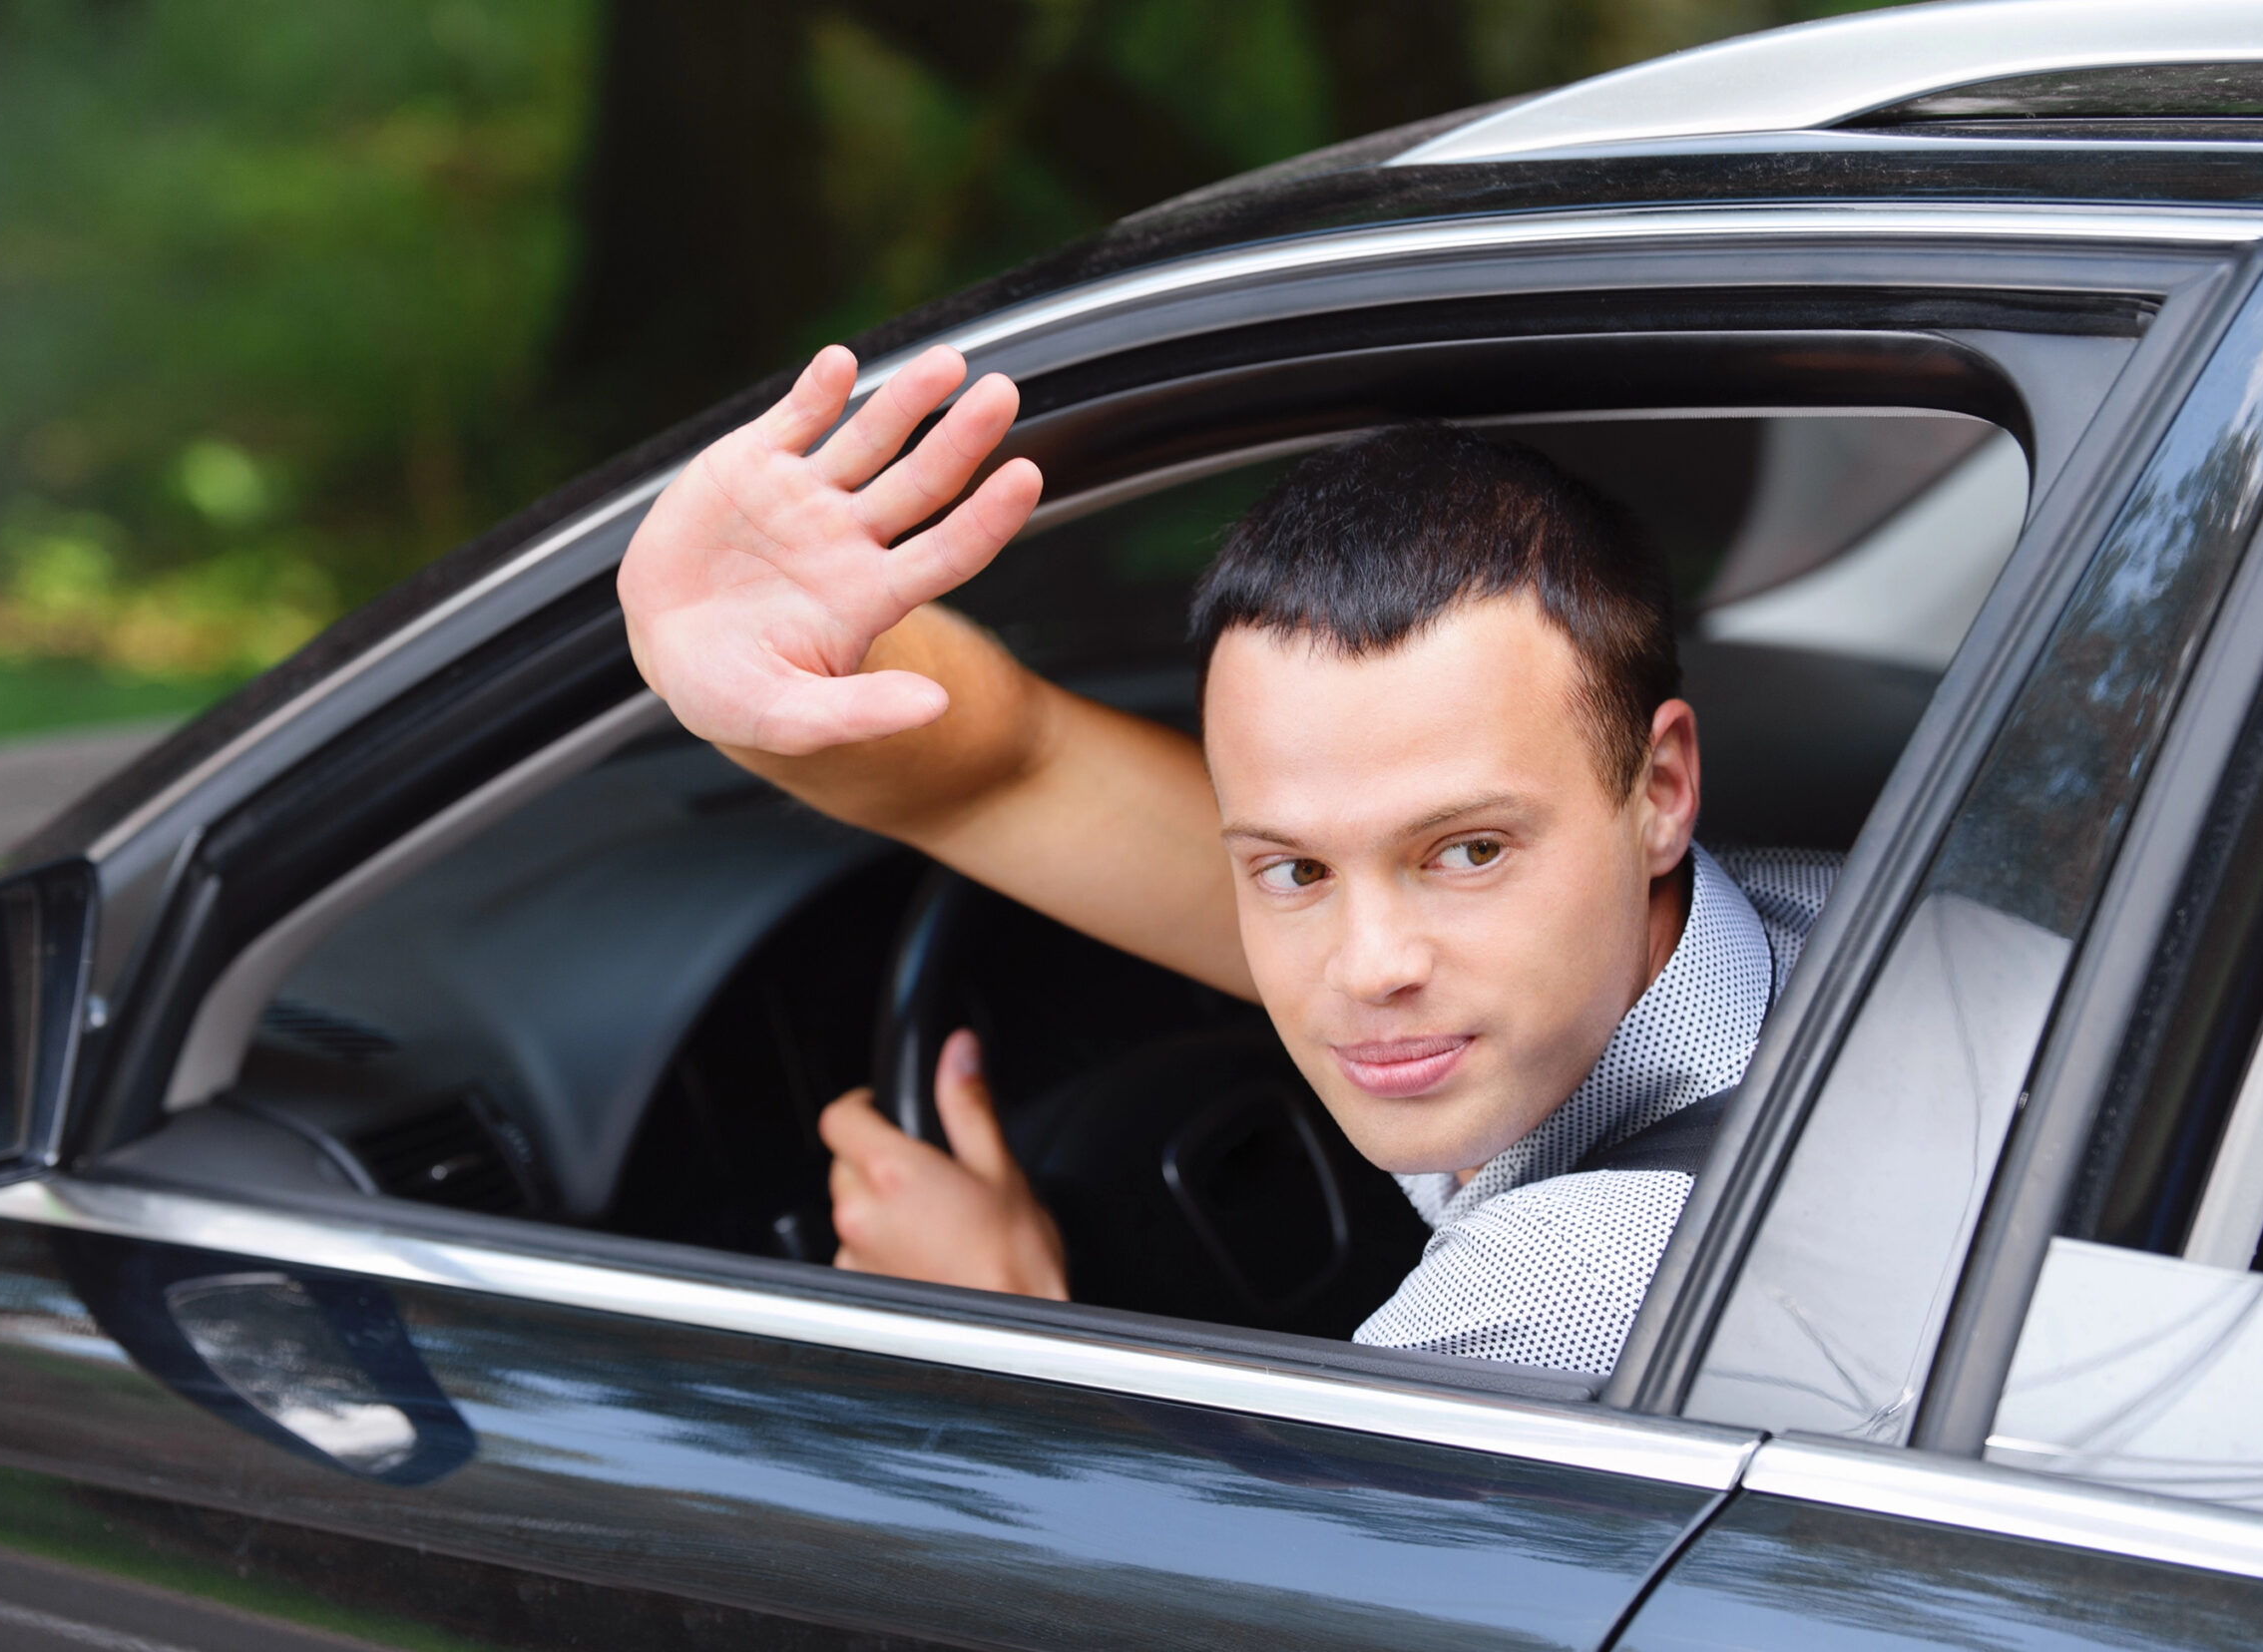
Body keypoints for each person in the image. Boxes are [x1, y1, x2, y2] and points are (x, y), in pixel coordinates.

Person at [618, 344, 1837, 1374]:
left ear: (1661, 789)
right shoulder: (1831, 918)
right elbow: (1018, 764)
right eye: (1294, 871)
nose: (1367, 968)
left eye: (1466, 851)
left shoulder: (1584, 1292)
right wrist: (748, 651)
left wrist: (1001, 1326)